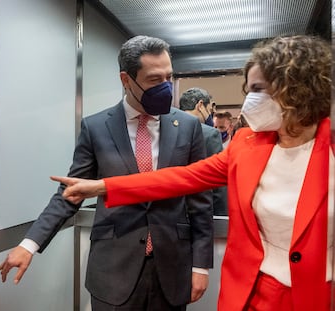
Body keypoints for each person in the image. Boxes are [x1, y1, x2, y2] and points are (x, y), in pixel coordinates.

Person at [53, 35, 333, 311]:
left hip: (316, 293)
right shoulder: (245, 146)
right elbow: (178, 178)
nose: (249, 102)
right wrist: (101, 186)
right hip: (250, 292)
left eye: (258, 89)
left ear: (296, 88)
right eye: (249, 90)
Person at [0, 35, 214, 311]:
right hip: (113, 271)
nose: (166, 87)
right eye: (155, 80)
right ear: (126, 79)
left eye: (169, 77)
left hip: (173, 267)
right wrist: (29, 244)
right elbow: (70, 193)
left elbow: (200, 201)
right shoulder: (96, 128)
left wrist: (201, 265)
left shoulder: (188, 127)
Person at [180, 87, 228, 215]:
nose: (211, 117)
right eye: (210, 111)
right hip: (200, 214)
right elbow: (218, 184)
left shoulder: (166, 130)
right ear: (200, 105)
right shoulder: (209, 134)